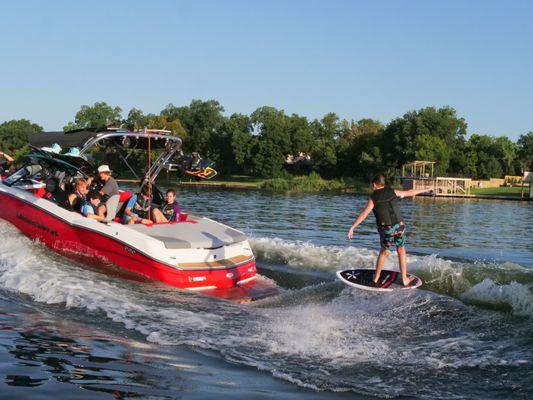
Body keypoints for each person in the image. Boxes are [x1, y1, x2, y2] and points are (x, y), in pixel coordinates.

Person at [347, 174, 432, 287]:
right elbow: (410, 192)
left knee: (384, 251)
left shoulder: (373, 197)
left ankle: (376, 277)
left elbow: (364, 214)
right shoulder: (393, 192)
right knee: (401, 250)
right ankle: (404, 279)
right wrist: (427, 189)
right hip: (399, 226)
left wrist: (353, 227)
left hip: (386, 229)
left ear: (374, 184)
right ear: (383, 184)